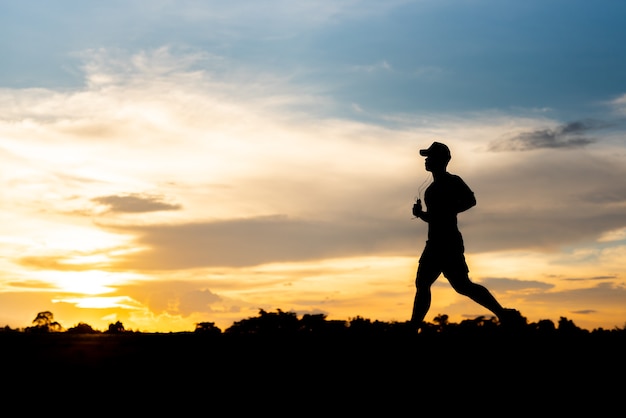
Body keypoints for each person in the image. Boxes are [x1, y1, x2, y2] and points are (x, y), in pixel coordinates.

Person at [411, 141, 522, 329]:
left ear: (441, 160)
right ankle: (413, 326)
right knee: (422, 283)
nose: (426, 160)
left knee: (462, 286)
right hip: (434, 243)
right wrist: (421, 214)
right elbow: (435, 218)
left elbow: (470, 201)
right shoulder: (430, 190)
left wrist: (448, 209)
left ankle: (503, 314)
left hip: (449, 243)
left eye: (430, 157)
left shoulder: (453, 181)